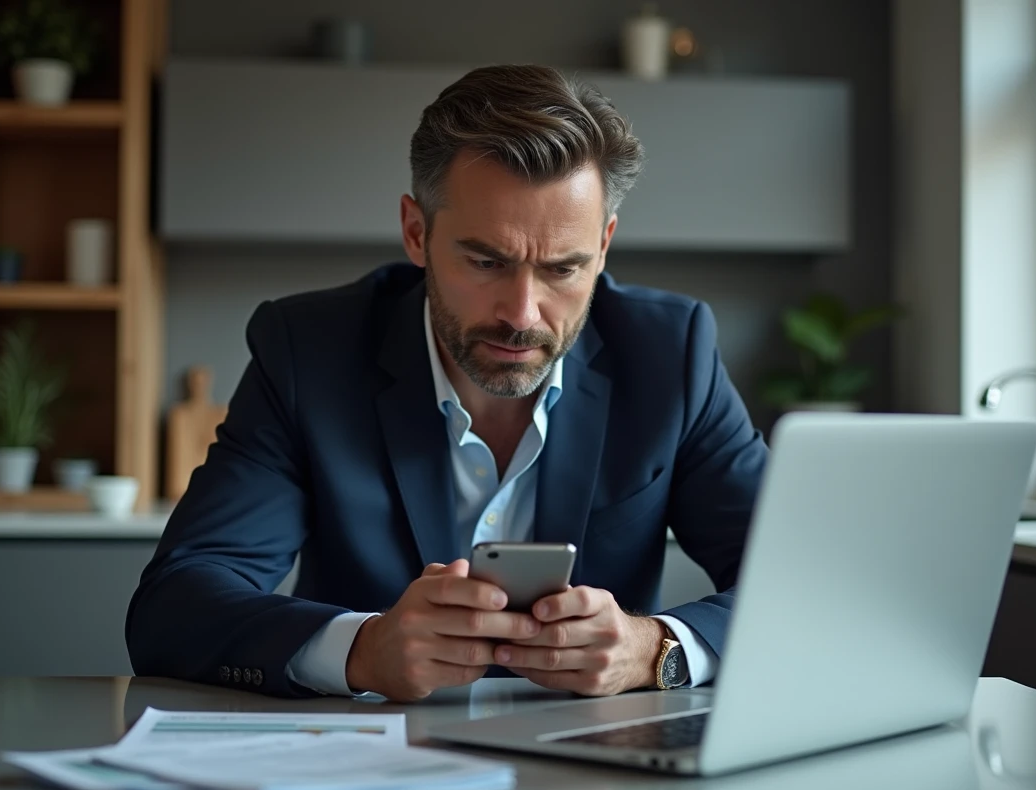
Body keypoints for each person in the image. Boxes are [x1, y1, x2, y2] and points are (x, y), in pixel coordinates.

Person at [126, 64, 768, 702]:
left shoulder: (670, 352)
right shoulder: (308, 353)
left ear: (603, 247)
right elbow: (175, 603)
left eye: (563, 268)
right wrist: (362, 649)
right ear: (416, 232)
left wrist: (655, 648)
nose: (523, 314)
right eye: (486, 262)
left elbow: (809, 583)